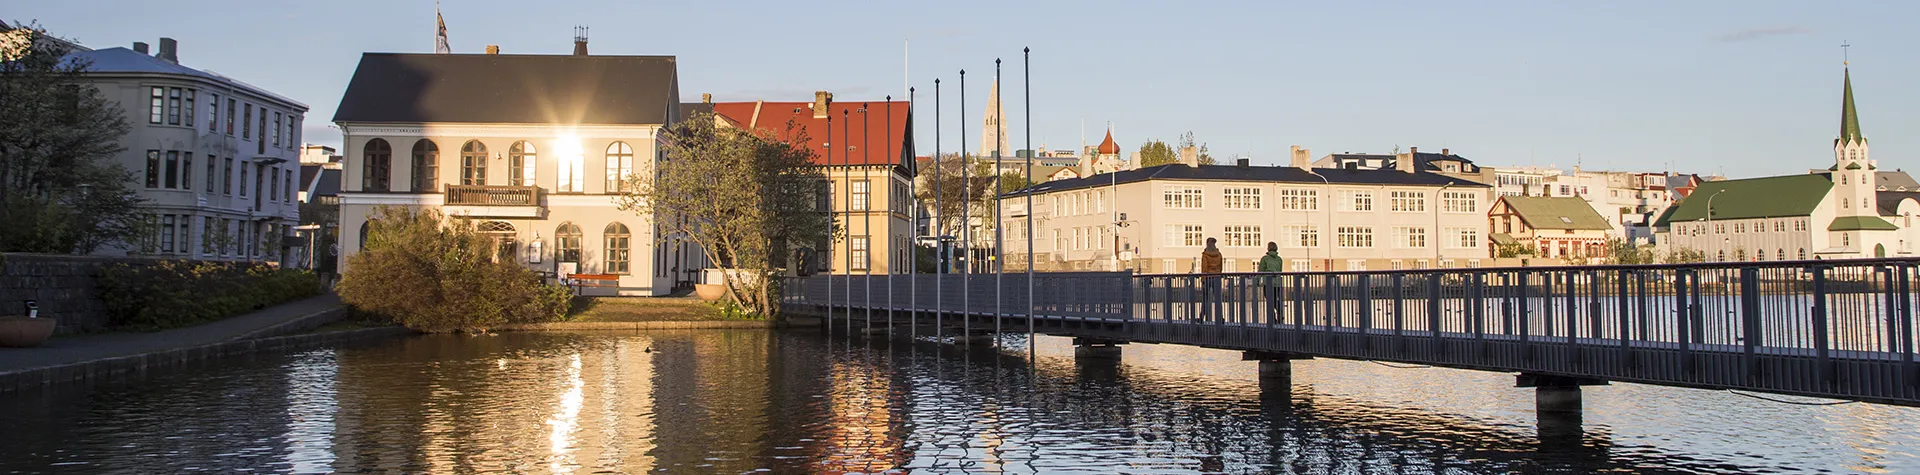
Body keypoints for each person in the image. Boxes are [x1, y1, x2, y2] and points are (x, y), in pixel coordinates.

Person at [1257, 242, 1285, 323]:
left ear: (1268, 248)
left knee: (1269, 301)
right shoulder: (1279, 259)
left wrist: (1258, 281)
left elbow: (1261, 271)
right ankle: (1280, 315)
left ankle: (1272, 319)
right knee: (1276, 300)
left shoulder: (1265, 259)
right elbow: (1280, 270)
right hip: (1278, 283)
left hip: (1268, 283)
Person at [1199, 238, 1224, 322]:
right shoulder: (1219, 254)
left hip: (1207, 278)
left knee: (1205, 298)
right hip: (1217, 278)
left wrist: (1203, 279)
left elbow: (1204, 268)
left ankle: (1202, 317)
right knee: (1218, 299)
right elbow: (1220, 267)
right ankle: (1220, 318)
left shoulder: (1205, 255)